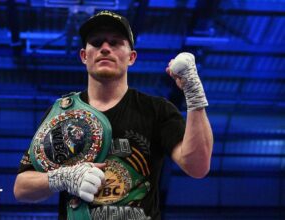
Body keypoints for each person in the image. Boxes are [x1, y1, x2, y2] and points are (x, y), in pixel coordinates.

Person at [14, 10, 213, 220]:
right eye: (97, 42)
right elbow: (21, 187)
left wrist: (193, 93)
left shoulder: (157, 110)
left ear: (131, 57)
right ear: (84, 56)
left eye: (115, 43)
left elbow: (198, 167)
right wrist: (62, 178)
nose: (105, 48)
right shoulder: (63, 113)